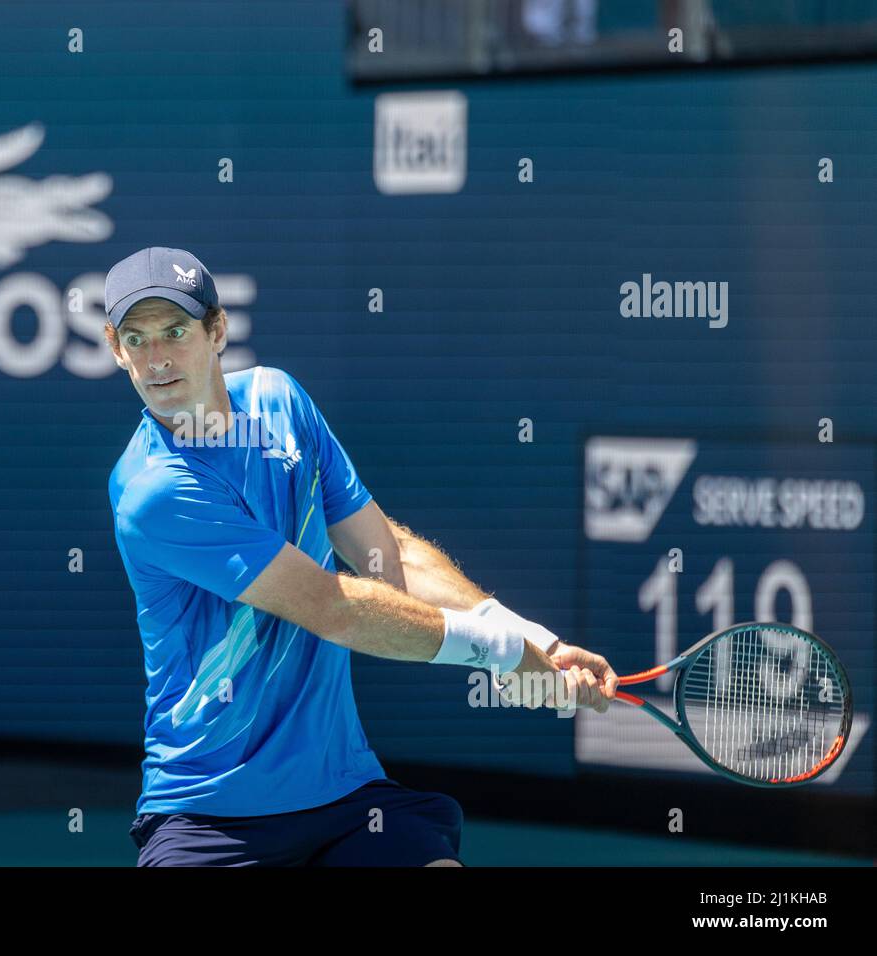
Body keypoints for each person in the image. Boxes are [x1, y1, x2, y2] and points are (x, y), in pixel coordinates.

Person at [104, 246, 618, 866]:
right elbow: (331, 606)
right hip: (208, 814)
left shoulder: (280, 400)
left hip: (347, 799)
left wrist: (529, 636)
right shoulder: (153, 492)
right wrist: (502, 654)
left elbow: (387, 553)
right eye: (137, 339)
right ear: (115, 348)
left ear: (218, 330)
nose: (156, 360)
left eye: (175, 332)